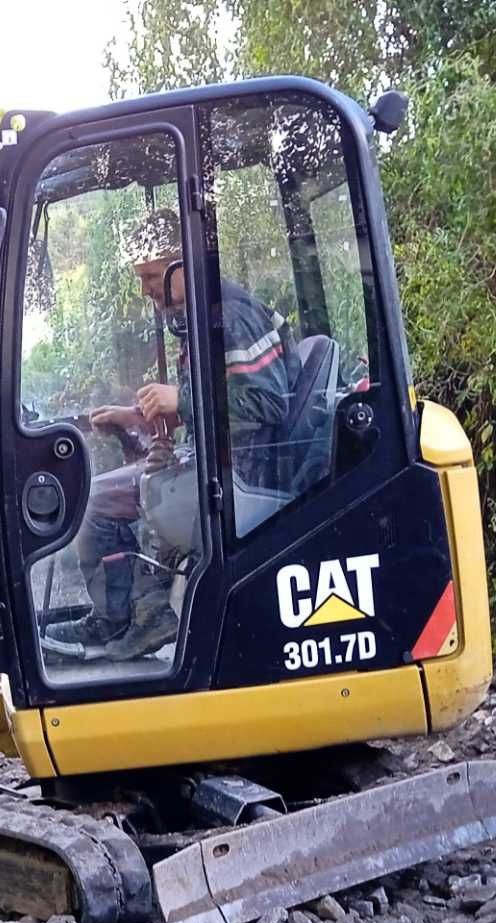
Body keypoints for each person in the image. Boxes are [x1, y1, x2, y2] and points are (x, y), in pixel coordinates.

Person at [45, 209, 303, 662]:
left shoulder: (232, 315)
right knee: (104, 494)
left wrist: (180, 400)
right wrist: (137, 415)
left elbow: (268, 404)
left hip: (245, 474)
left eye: (150, 276)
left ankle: (141, 618)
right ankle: (122, 615)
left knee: (97, 502)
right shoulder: (200, 313)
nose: (145, 289)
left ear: (184, 264)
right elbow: (220, 400)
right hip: (224, 461)